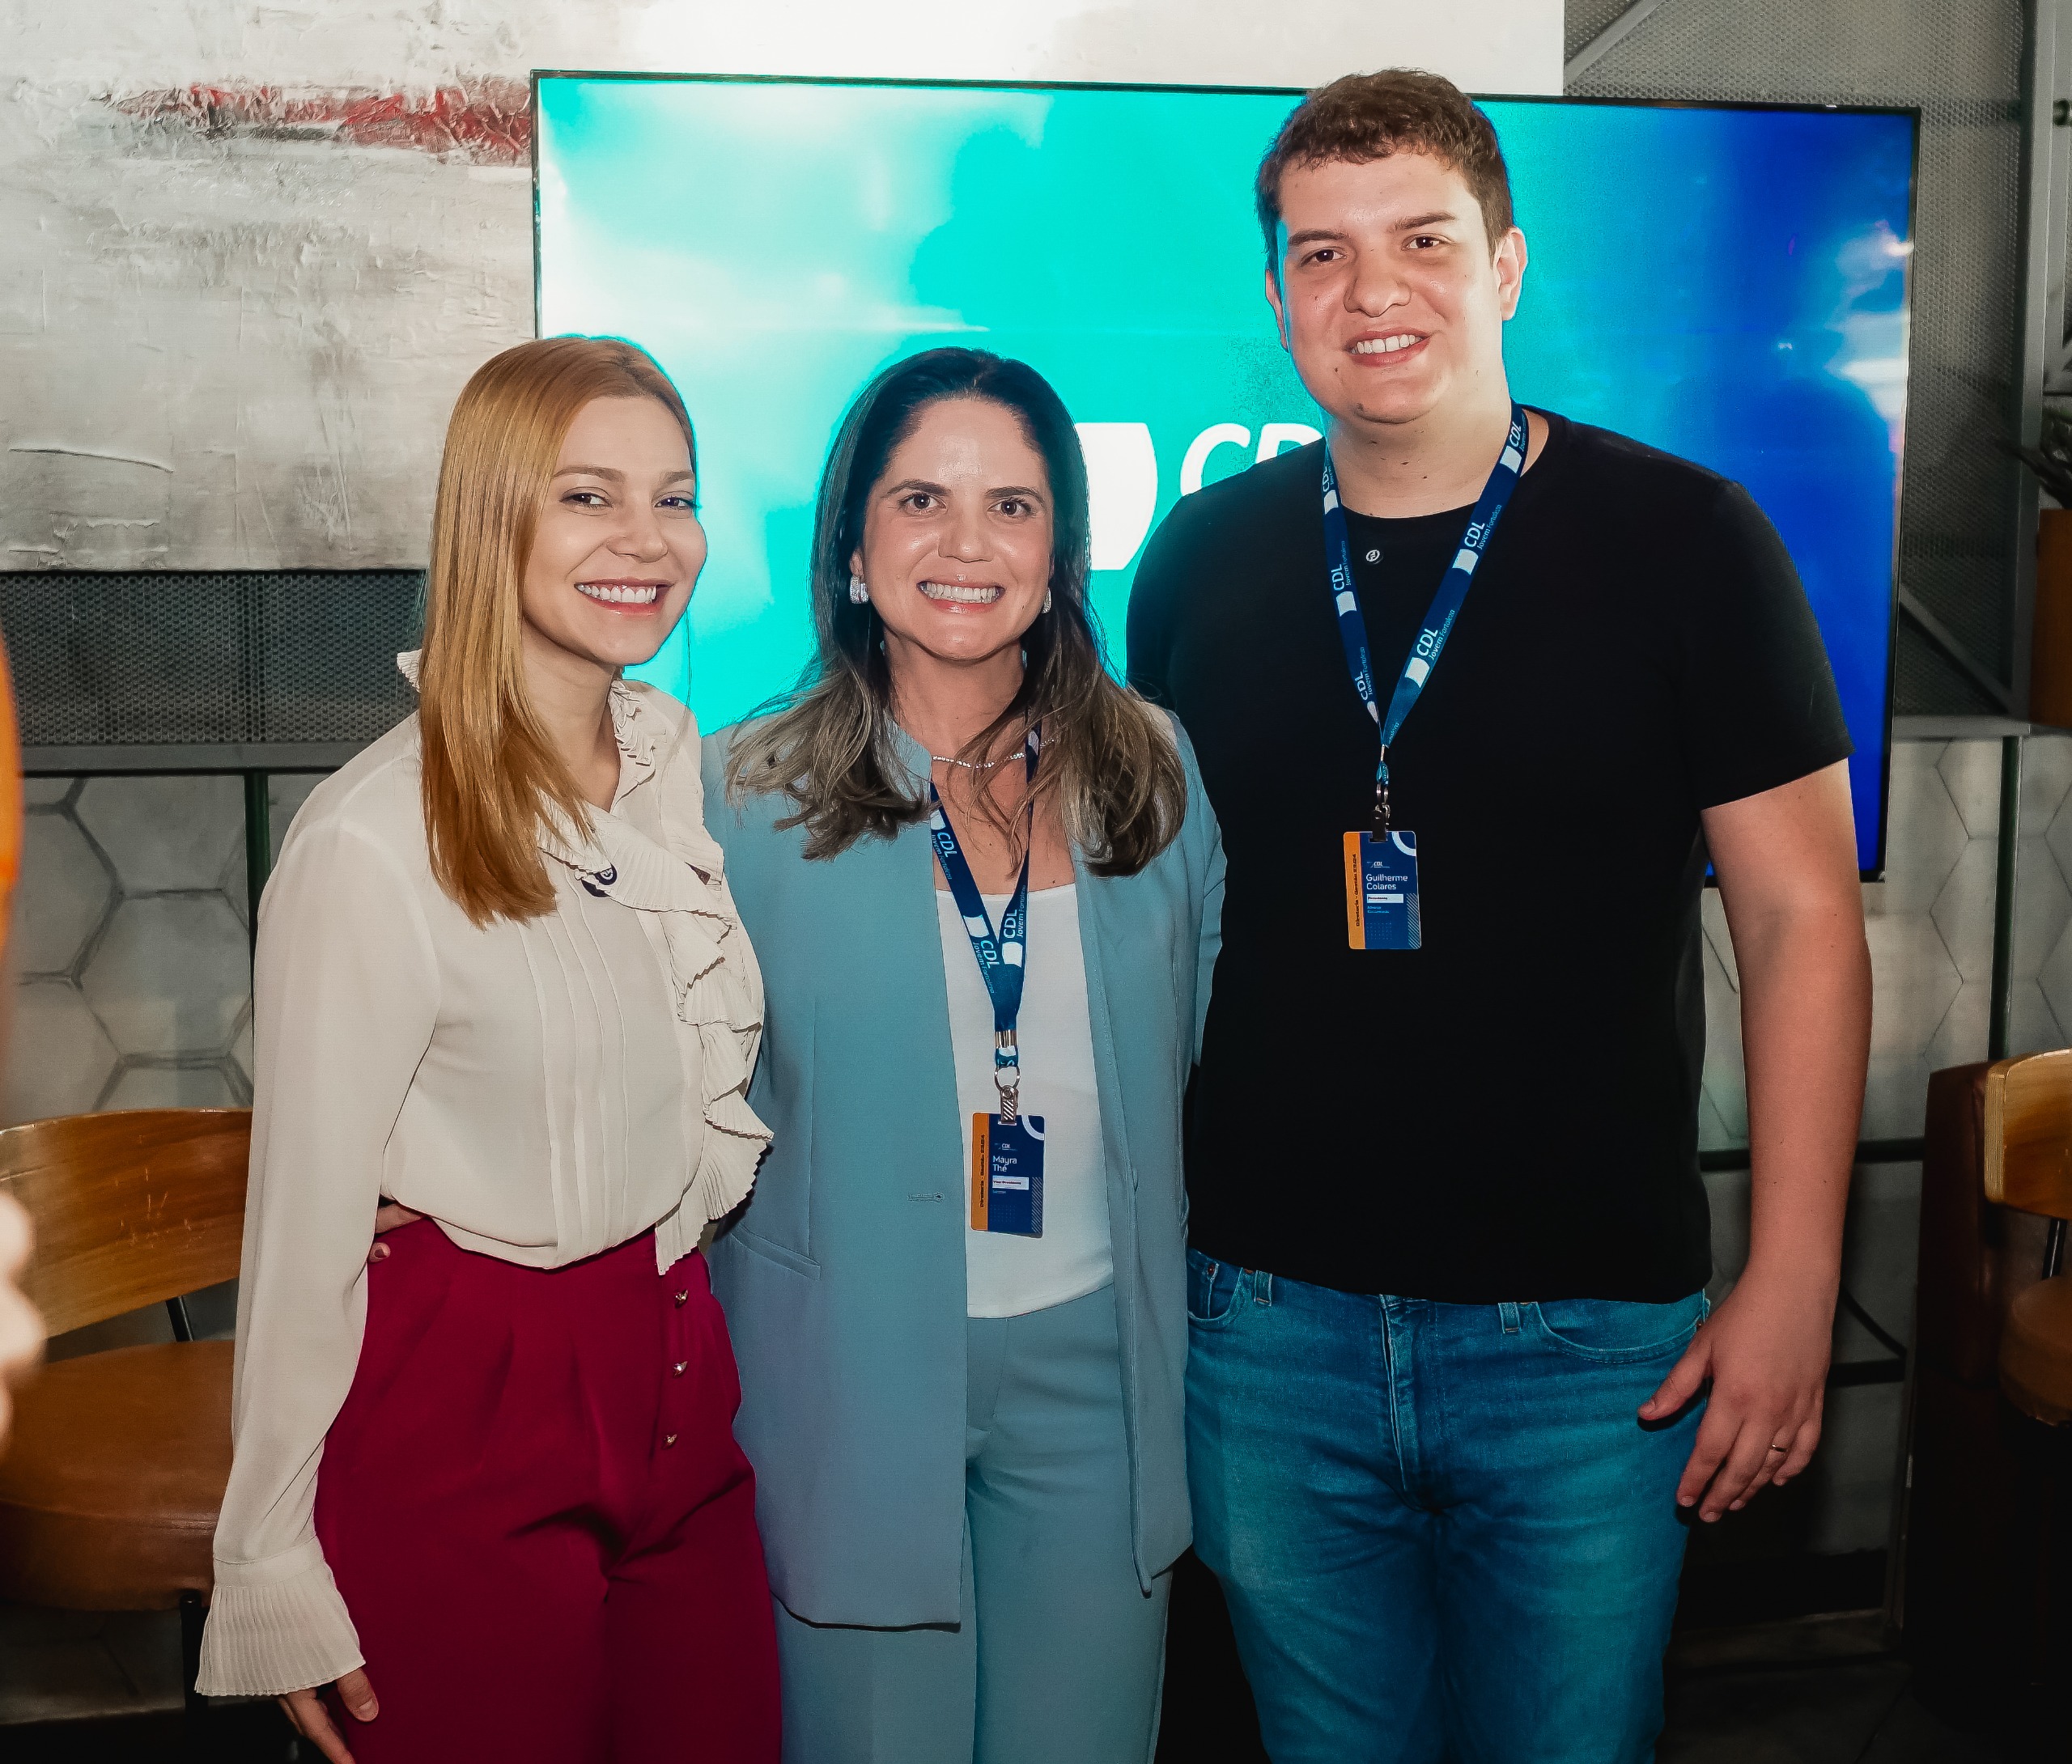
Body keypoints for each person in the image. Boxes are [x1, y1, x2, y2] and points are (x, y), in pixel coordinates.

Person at [1127, 72, 1872, 1764]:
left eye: (1418, 240)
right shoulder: (1194, 562)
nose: (1368, 290)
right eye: (1319, 252)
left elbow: (1800, 925)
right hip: (1263, 1333)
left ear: (1508, 264)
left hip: (1585, 1345)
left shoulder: (1688, 540)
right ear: (1273, 295)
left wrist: (1793, 1275)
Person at [196, 337, 781, 1764]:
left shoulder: (662, 766)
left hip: (679, 1371)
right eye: (589, 496)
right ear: (492, 519)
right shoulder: (370, 838)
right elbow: (302, 1232)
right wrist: (268, 1560)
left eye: (675, 494)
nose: (649, 540)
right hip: (469, 1402)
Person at [704, 347, 1222, 1764]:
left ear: (1061, 555)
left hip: (1100, 1384)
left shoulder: (1157, 777)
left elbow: (1197, 1056)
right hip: (846, 1380)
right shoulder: (737, 797)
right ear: (856, 549)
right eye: (921, 499)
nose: (965, 544)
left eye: (1013, 506)